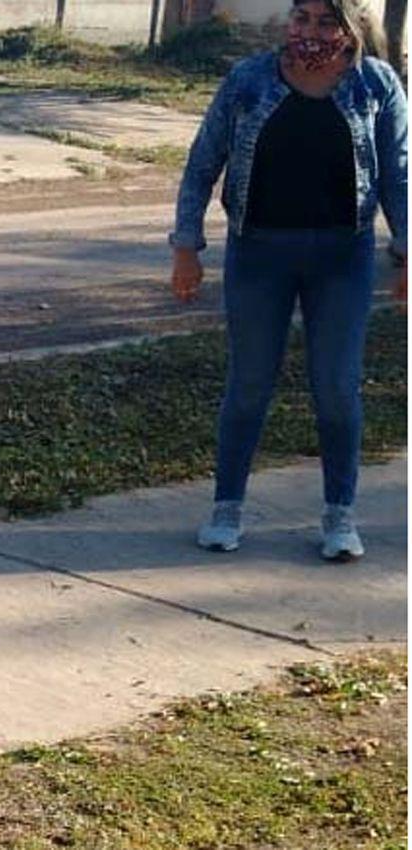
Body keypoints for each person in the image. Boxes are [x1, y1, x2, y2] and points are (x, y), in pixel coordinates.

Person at [169, 0, 407, 560]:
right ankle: (227, 510)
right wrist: (186, 246)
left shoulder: (376, 85)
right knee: (249, 387)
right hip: (259, 255)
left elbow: (398, 171)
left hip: (342, 260)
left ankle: (339, 518)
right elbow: (203, 163)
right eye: (302, 17)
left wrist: (407, 251)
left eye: (327, 22)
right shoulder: (249, 79)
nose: (310, 31)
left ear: (352, 28)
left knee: (337, 392)